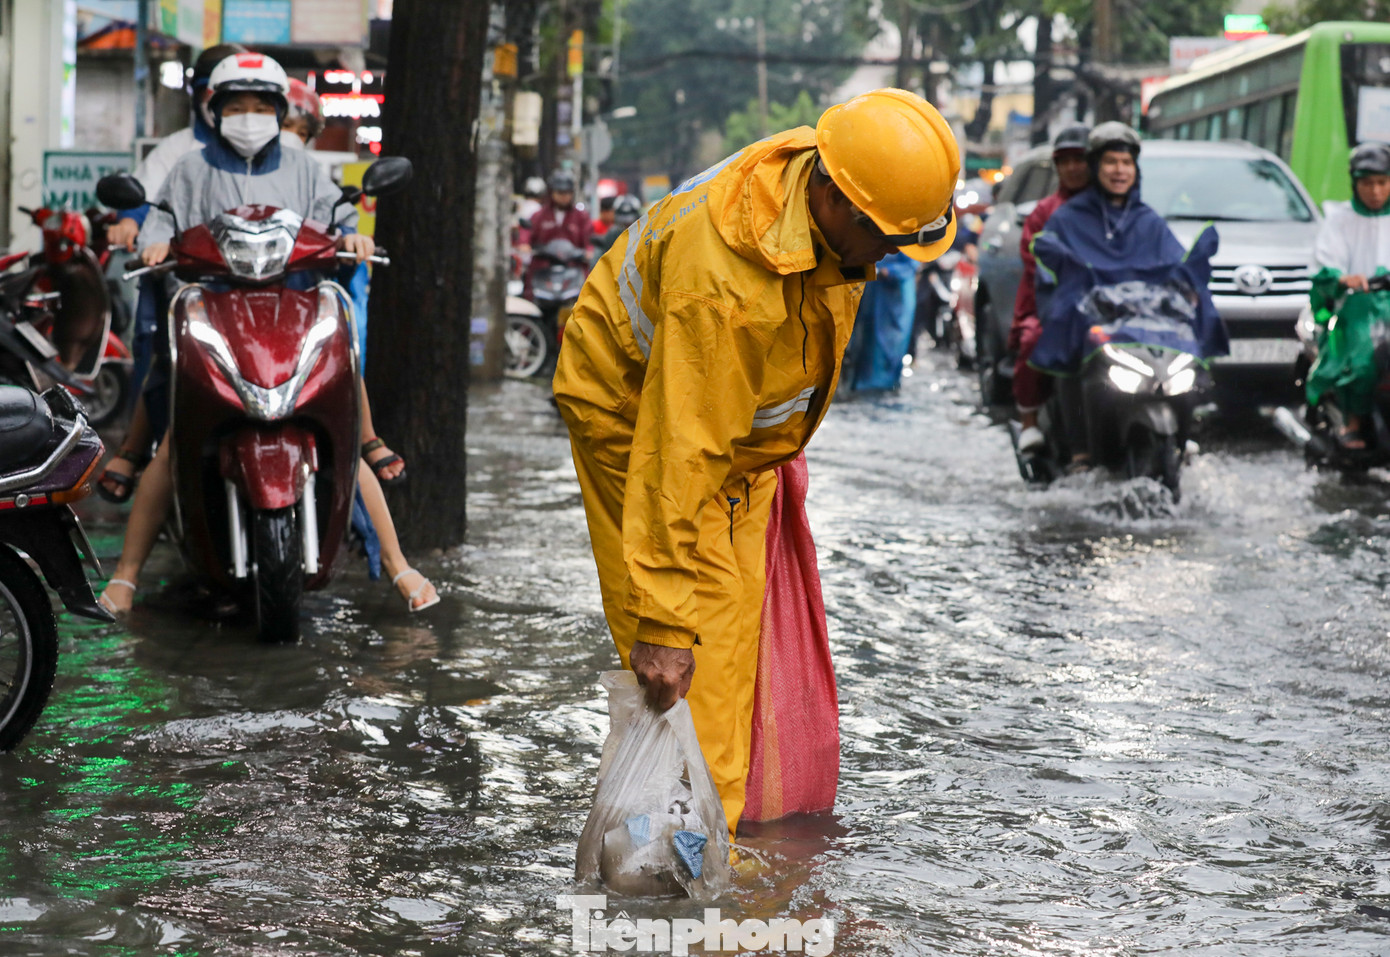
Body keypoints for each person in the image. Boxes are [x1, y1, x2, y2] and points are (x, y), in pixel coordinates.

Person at [553, 88, 960, 836]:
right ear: (836, 201)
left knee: (731, 656)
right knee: (686, 673)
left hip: (728, 451)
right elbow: (677, 450)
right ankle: (689, 881)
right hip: (634, 425)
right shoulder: (725, 288)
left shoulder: (822, 179)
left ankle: (713, 852)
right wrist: (665, 622)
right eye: (888, 237)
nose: (892, 255)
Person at [97, 52, 433, 616]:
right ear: (216, 110)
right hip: (216, 310)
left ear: (279, 112)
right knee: (173, 436)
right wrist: (155, 241)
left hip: (291, 308)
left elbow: (340, 221)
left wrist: (354, 239)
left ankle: (399, 562)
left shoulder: (305, 170)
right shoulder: (190, 170)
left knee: (342, 401)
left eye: (259, 106)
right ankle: (126, 575)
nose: (247, 116)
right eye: (236, 106)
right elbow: (161, 223)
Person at [1030, 122, 1225, 470]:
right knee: (1072, 353)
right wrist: (1074, 304)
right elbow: (1052, 279)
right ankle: (1081, 451)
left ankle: (1183, 437)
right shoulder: (1068, 220)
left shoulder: (1149, 221)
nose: (1119, 171)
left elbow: (1176, 271)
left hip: (1147, 329)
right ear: (1095, 167)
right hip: (1099, 329)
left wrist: (1188, 292)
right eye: (1110, 162)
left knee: (1188, 363)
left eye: (1126, 163)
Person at [1304, 141, 1390, 450]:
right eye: (1368, 183)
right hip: (1356, 306)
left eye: (1382, 182)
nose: (1376, 191)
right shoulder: (1339, 219)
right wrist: (1344, 278)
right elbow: (1326, 264)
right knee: (1364, 356)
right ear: (1355, 183)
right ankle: (1353, 421)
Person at [1010, 125, 1090, 454]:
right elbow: (1039, 265)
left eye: (1079, 159)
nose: (1072, 167)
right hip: (1051, 305)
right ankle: (1029, 421)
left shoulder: (1116, 208)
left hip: (1109, 307)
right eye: (1065, 160)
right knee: (1033, 342)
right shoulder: (1044, 213)